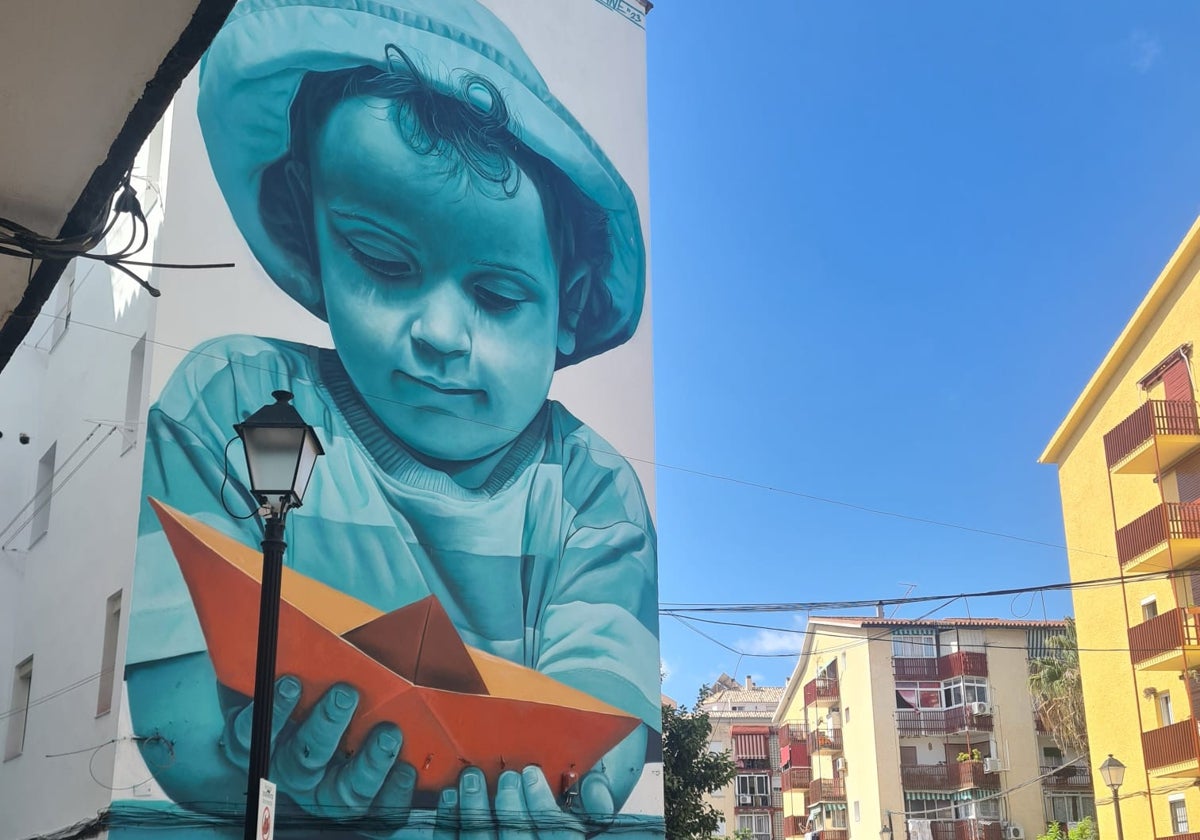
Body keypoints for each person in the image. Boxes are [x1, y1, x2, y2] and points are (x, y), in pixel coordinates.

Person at [120, 0, 659, 837]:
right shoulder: (237, 404)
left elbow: (597, 735)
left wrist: (555, 795)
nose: (441, 335)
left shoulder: (591, 493)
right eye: (381, 259)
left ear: (570, 303)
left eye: (497, 293)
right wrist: (266, 762)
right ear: (310, 229)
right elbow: (172, 712)